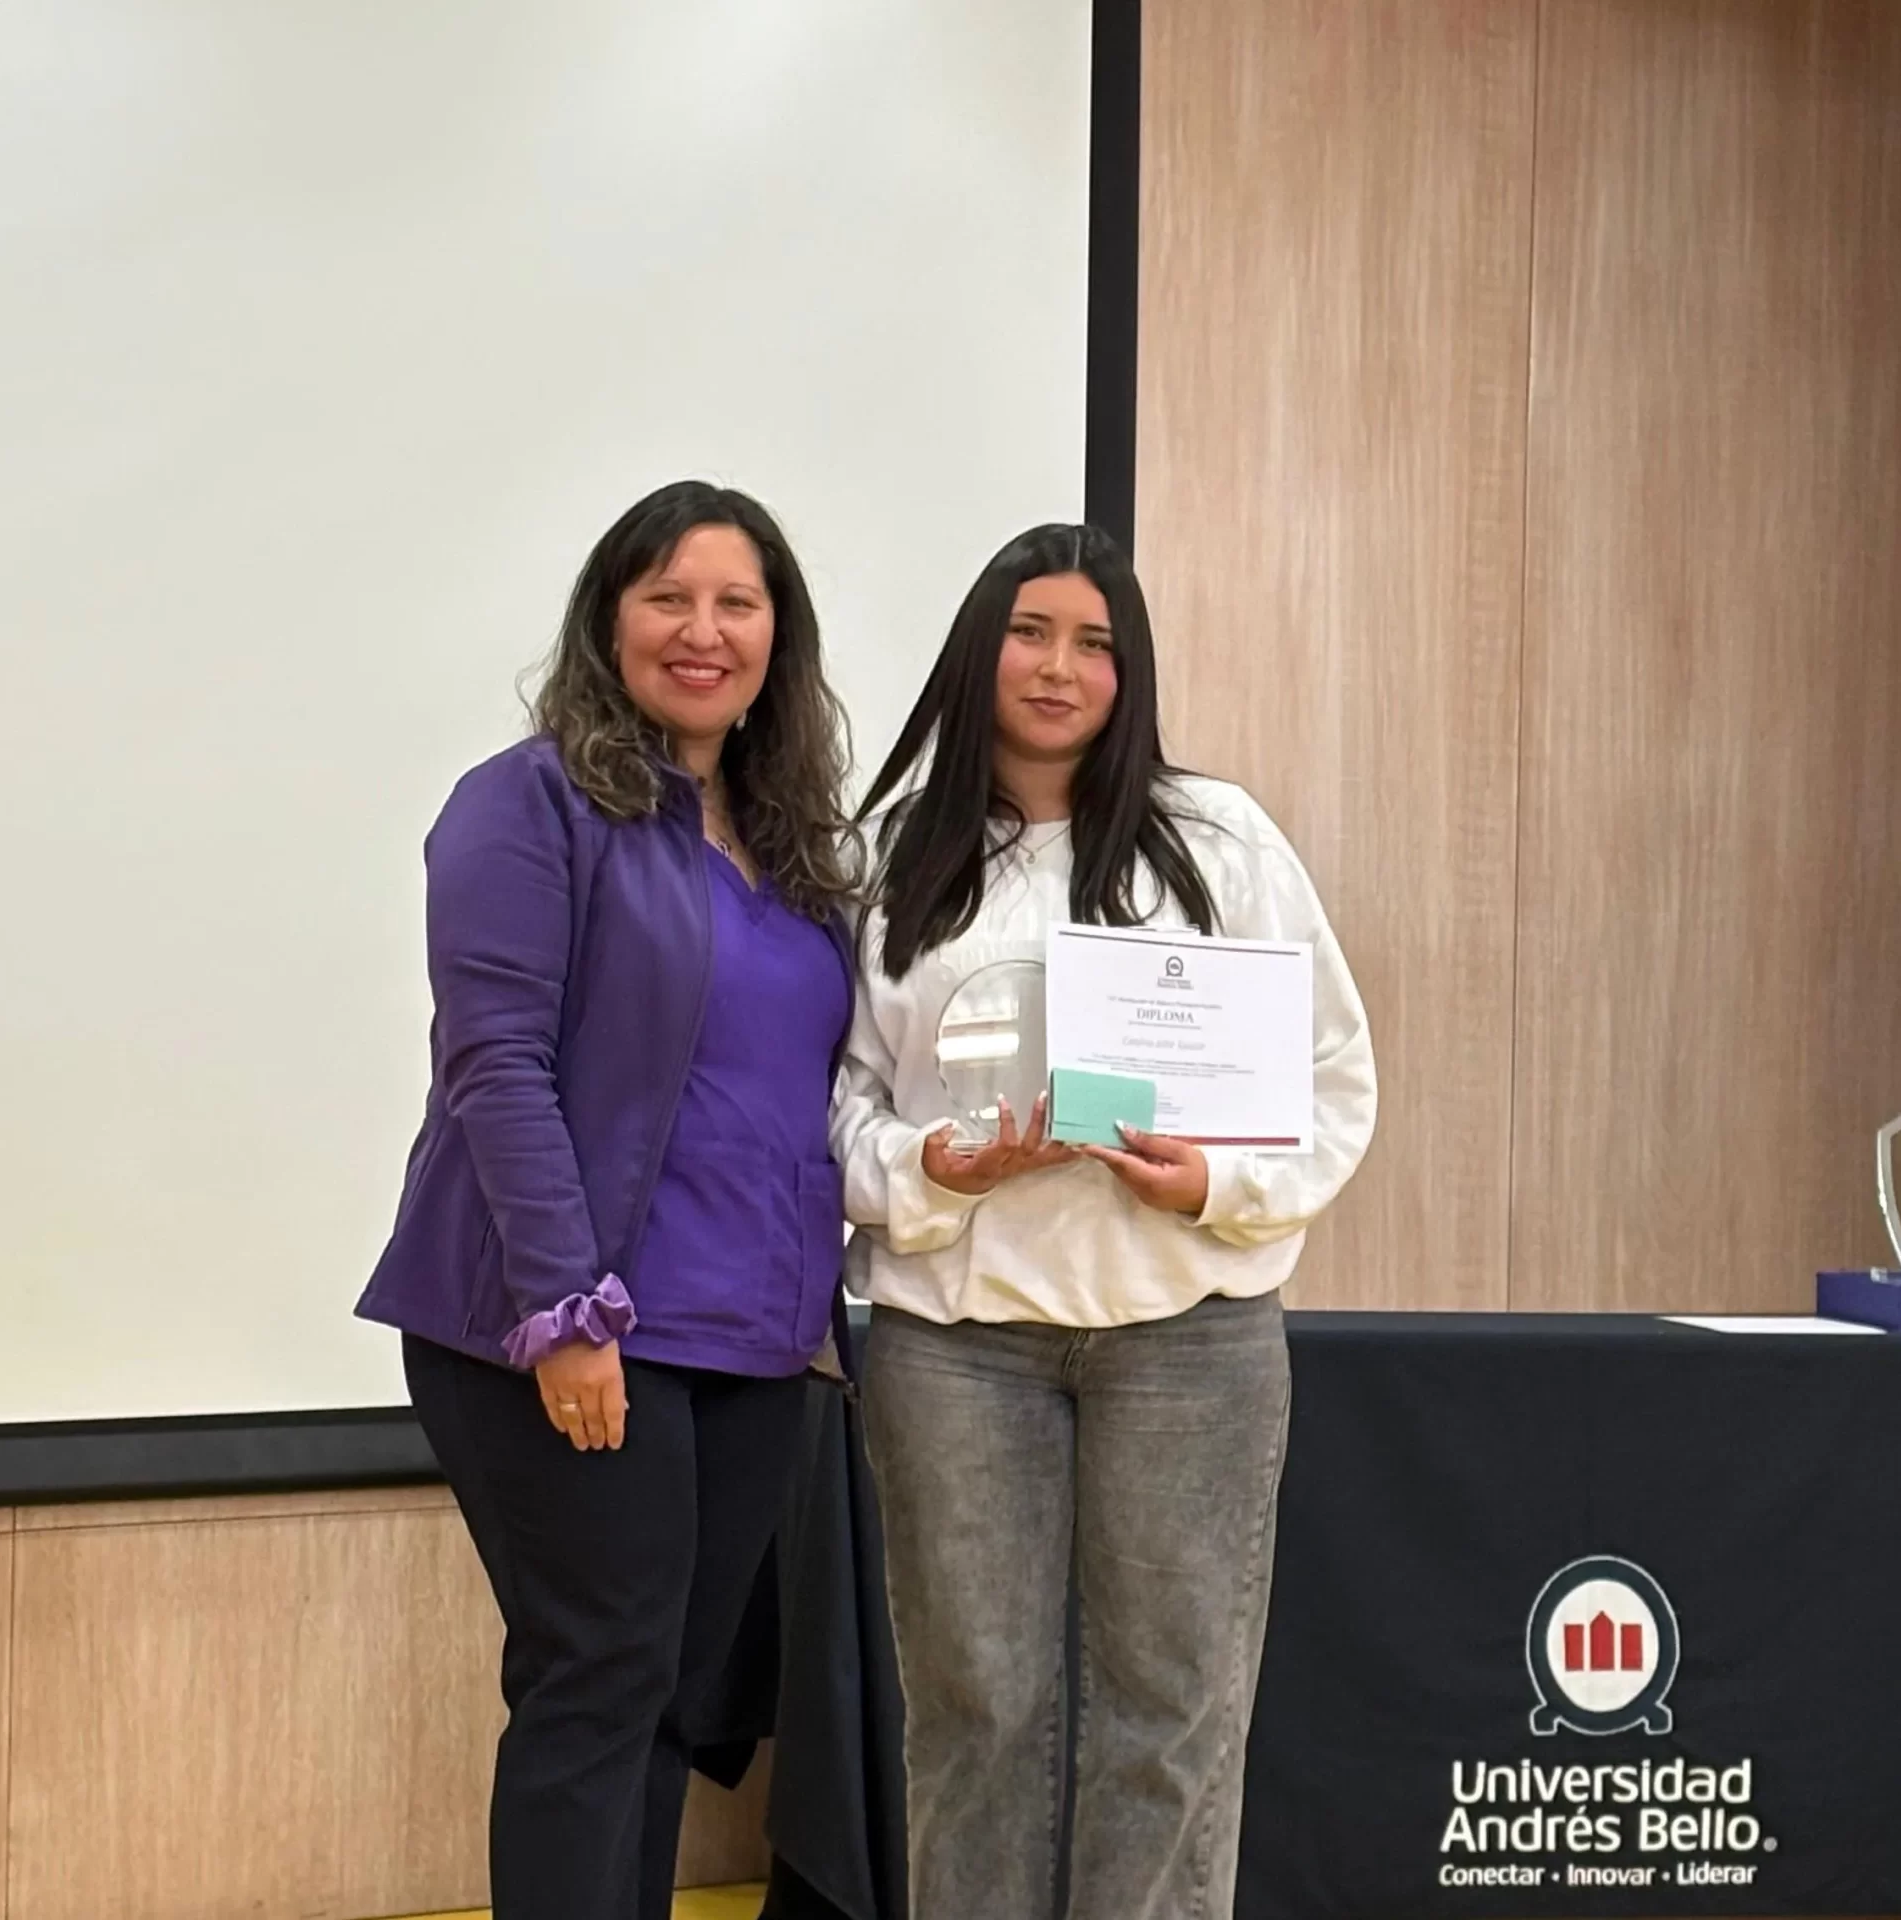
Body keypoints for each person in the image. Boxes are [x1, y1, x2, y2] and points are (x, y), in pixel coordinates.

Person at [831, 523, 1377, 1920]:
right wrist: (930, 1170)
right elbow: (831, 1099)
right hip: (955, 1344)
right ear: (979, 647)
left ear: (1131, 673)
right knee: (977, 1716)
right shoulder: (888, 854)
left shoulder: (1222, 839)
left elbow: (1334, 1082)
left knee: (1173, 1720)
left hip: (1188, 1338)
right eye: (1030, 632)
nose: (1059, 667)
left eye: (1096, 643)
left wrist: (1216, 1185)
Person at [354, 480, 857, 1920]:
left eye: (737, 603)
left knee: (669, 1703)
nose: (703, 631)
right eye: (667, 598)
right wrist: (565, 1314)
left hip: (748, 1349)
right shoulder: (528, 804)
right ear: (609, 620)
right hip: (573, 1331)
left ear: (778, 636)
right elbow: (496, 1068)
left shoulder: (793, 839)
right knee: (599, 1686)